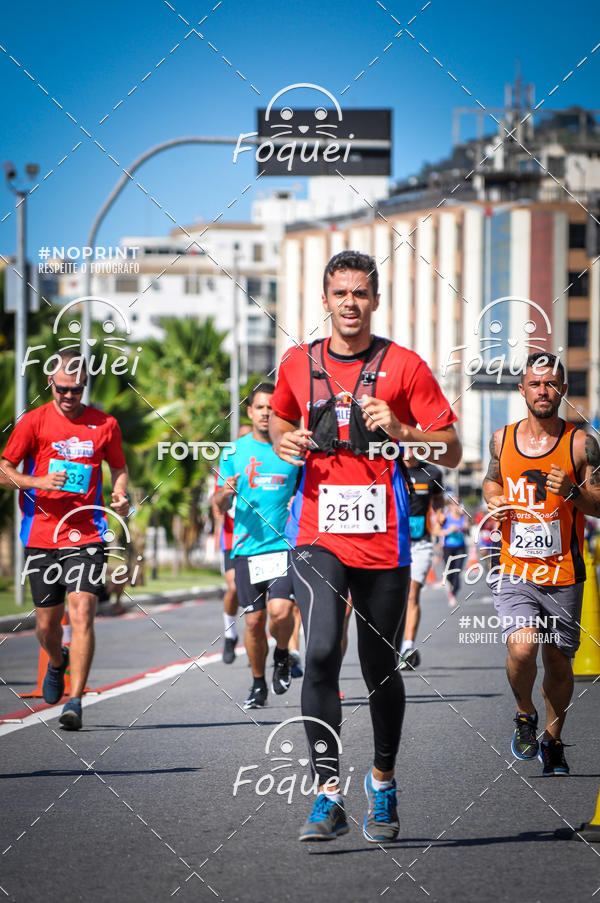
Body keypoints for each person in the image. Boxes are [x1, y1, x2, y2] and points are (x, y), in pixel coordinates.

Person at [269, 250, 461, 842]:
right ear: (324, 300)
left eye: (360, 294)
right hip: (317, 533)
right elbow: (277, 421)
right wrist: (286, 440)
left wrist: (404, 431)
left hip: (383, 540)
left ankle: (382, 784)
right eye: (340, 293)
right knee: (322, 650)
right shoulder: (297, 364)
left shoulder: (405, 366)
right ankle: (326, 794)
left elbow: (451, 447)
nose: (350, 304)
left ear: (375, 301)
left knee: (380, 667)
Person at [483, 351, 600, 775]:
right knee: (523, 646)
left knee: (557, 661)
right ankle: (523, 713)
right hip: (515, 567)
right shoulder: (502, 438)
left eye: (550, 384)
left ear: (563, 390)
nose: (543, 391)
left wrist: (574, 492)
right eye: (535, 383)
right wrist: (493, 498)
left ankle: (552, 738)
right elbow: (492, 478)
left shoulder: (582, 443)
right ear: (522, 390)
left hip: (564, 571)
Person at [0, 350, 129, 730]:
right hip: (43, 534)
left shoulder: (105, 424)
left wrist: (120, 495)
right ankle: (58, 661)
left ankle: (75, 701)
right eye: (62, 390)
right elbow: (4, 470)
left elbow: (119, 467)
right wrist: (37, 481)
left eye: (76, 390)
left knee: (83, 613)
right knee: (46, 627)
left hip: (87, 532)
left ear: (85, 386)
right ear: (50, 385)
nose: (69, 397)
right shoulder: (34, 422)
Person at [214, 383, 298, 708]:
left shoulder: (291, 451)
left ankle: (282, 654)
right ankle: (258, 683)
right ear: (250, 412)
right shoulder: (233, 452)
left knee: (281, 611)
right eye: (260, 407)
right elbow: (219, 503)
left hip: (283, 546)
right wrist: (225, 494)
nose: (266, 413)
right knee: (253, 621)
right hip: (247, 549)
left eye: (272, 408)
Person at [399, 456, 445, 669]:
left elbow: (438, 499)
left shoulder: (432, 473)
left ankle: (407, 647)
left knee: (412, 591)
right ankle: (391, 643)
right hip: (394, 541)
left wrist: (439, 515)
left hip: (421, 542)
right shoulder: (391, 466)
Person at [215, 424, 252, 664]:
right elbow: (217, 505)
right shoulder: (228, 467)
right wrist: (227, 495)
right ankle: (230, 634)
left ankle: (256, 640)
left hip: (261, 540)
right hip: (232, 538)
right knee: (235, 588)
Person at [440, 500, 469, 606]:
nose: (456, 506)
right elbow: (438, 531)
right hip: (448, 547)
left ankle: (453, 593)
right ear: (449, 506)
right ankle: (450, 584)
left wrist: (464, 526)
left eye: (458, 503)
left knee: (457, 572)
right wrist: (449, 530)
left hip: (460, 547)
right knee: (449, 572)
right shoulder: (445, 517)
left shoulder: (463, 517)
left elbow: (467, 529)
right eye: (453, 504)